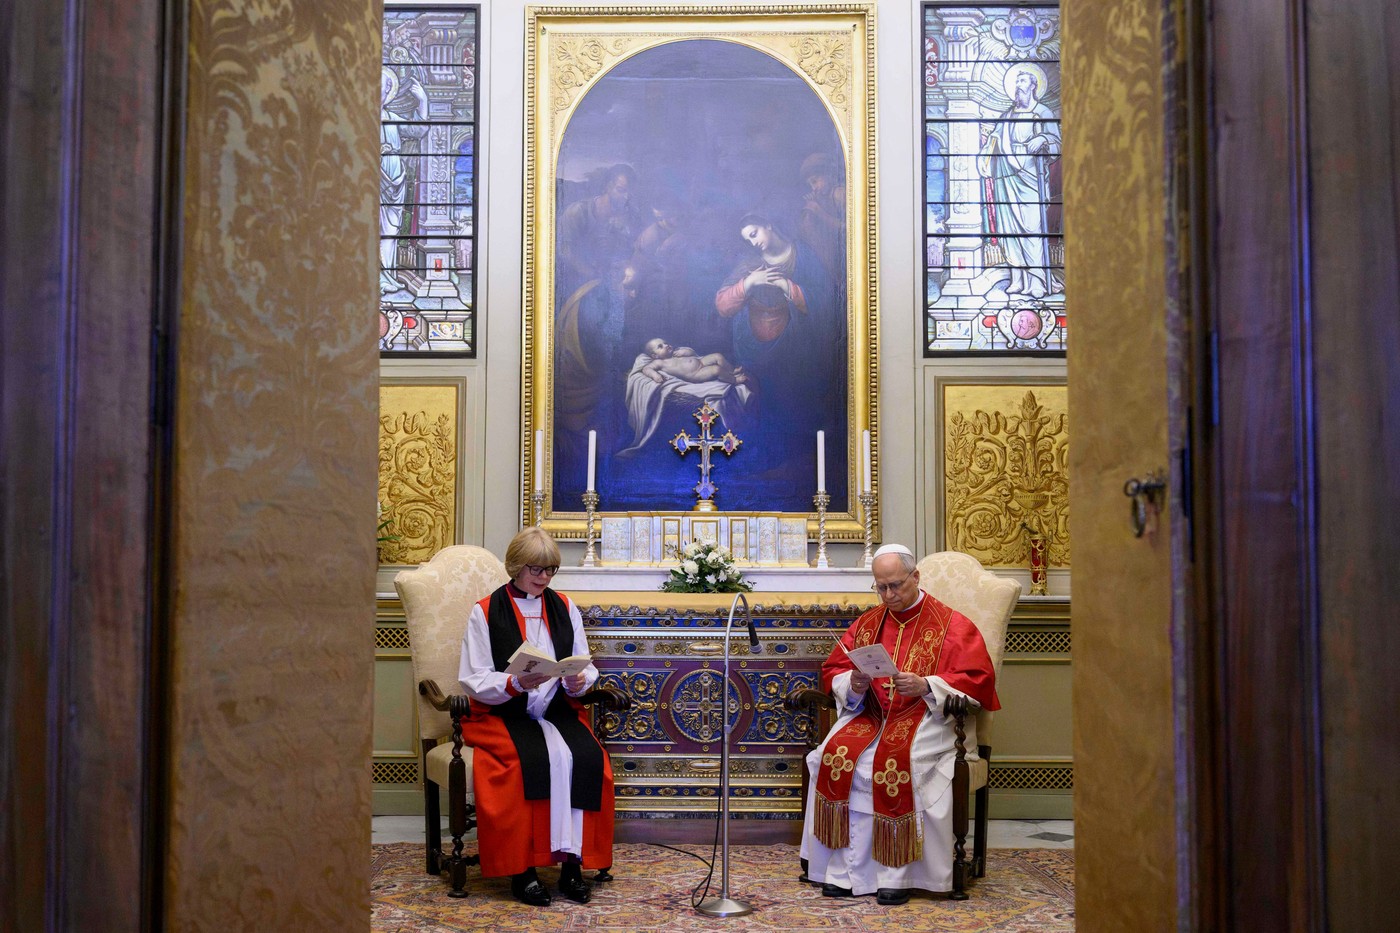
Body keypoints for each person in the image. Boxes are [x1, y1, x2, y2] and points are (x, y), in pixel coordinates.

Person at [800, 544, 1000, 905]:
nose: (889, 595)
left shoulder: (953, 625)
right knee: (834, 753)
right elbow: (835, 671)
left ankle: (898, 874)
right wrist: (853, 683)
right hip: (872, 716)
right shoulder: (868, 624)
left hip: (927, 720)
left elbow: (978, 681)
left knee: (896, 762)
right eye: (881, 587)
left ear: (915, 577)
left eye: (896, 585)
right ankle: (843, 871)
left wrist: (927, 685)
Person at [457, 528, 614, 906]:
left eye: (551, 570)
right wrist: (514, 683)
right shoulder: (485, 611)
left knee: (589, 758)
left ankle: (573, 867)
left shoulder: (565, 607)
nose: (544, 578)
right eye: (536, 570)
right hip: (501, 715)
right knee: (521, 766)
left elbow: (583, 662)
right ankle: (522, 871)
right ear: (515, 566)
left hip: (556, 711)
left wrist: (578, 680)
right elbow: (474, 677)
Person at [978, 69, 1062, 299]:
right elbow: (995, 139)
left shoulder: (1043, 112)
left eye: (1022, 81)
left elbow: (1057, 144)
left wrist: (1043, 138)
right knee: (1011, 230)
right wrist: (985, 156)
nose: (1018, 86)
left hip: (1031, 177)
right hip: (1007, 178)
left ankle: (1037, 281)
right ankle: (1017, 279)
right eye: (1016, 82)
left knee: (1032, 229)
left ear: (1033, 86)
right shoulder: (1007, 115)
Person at [639, 338, 748, 385]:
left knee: (717, 356)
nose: (666, 345)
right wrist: (655, 375)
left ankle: (731, 370)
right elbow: (646, 368)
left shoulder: (675, 353)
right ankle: (734, 380)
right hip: (695, 374)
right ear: (655, 356)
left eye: (665, 343)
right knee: (716, 369)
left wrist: (685, 352)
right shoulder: (659, 362)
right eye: (660, 346)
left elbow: (693, 354)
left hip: (700, 362)